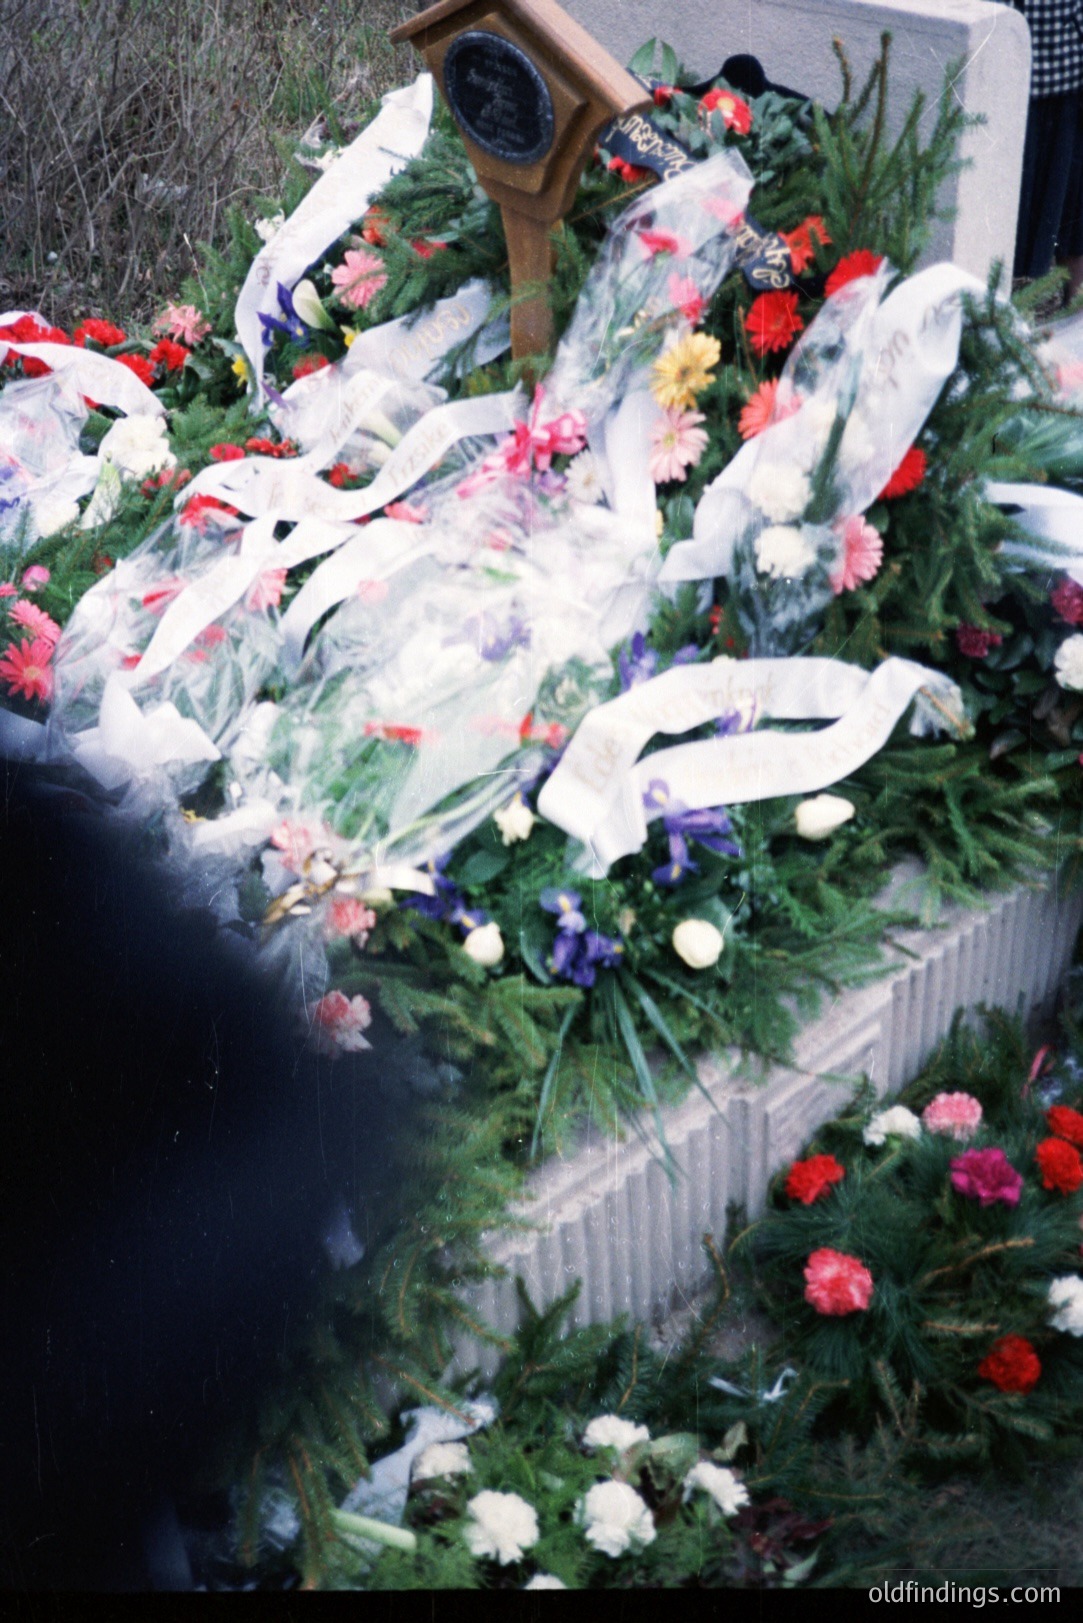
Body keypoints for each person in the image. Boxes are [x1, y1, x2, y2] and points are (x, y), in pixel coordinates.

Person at [1008, 0, 1083, 289]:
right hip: (1010, 75)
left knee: (1072, 217)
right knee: (1012, 213)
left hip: (1069, 78)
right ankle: (1004, 314)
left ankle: (1075, 314)